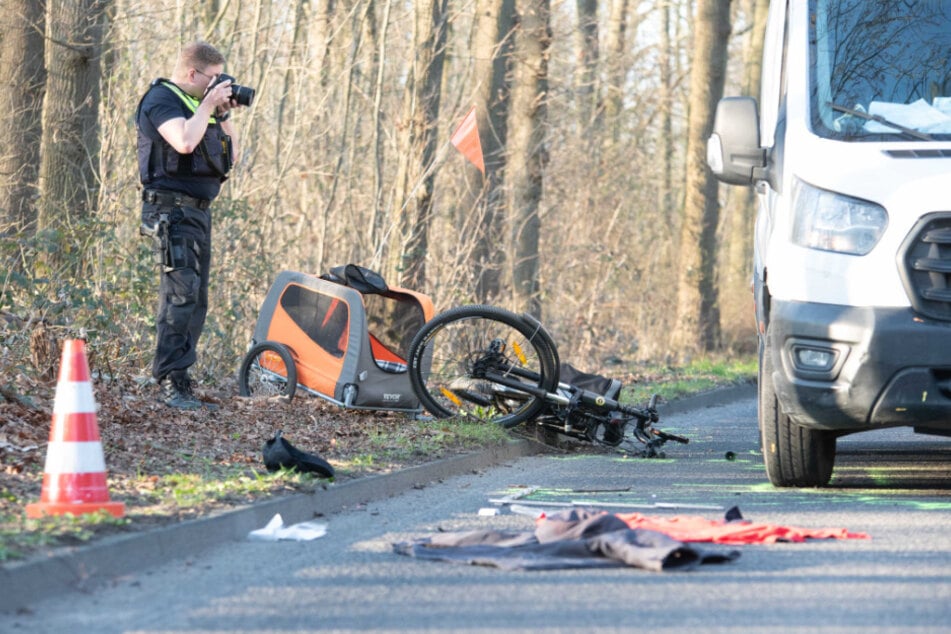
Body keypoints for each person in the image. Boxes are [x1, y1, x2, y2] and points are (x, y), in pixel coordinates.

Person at [136, 41, 246, 409]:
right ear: (192, 74)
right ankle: (168, 383)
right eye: (213, 78)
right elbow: (183, 142)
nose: (220, 85)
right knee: (180, 296)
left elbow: (232, 157)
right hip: (170, 211)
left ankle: (181, 382)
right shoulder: (161, 100)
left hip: (198, 211)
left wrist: (224, 114)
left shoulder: (206, 108)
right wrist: (208, 105)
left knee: (197, 298)